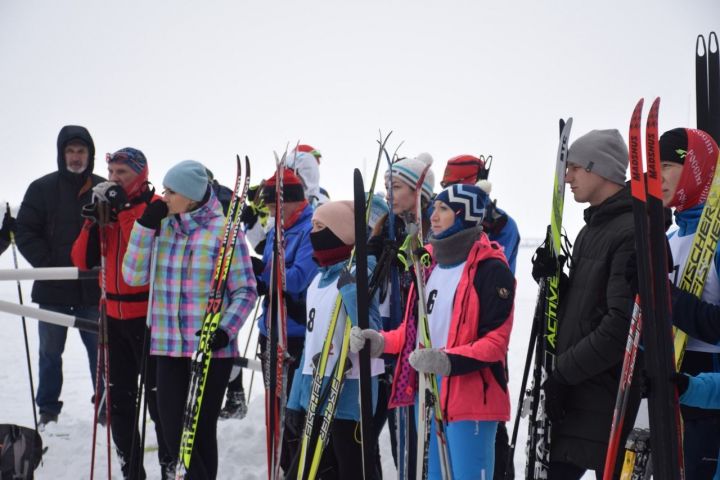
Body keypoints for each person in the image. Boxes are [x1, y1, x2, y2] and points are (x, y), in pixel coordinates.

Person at [352, 183, 515, 479]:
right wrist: (378, 341)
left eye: (443, 209)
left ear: (465, 215)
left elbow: (495, 343)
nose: (433, 215)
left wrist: (447, 361)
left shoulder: (491, 269)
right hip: (427, 395)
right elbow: (414, 333)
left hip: (471, 403)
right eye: (434, 208)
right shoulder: (428, 265)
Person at [122, 160, 257, 478]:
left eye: (171, 192)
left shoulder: (224, 233)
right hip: (167, 348)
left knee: (198, 432)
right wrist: (143, 227)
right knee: (171, 430)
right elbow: (132, 275)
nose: (164, 197)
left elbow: (246, 291)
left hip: (210, 349)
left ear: (192, 196)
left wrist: (225, 330)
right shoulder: (161, 228)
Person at [533, 129, 637, 478]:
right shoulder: (591, 230)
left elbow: (620, 327)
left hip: (602, 397)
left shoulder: (629, 231)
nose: (568, 177)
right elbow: (584, 308)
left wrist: (562, 374)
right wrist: (554, 282)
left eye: (575, 167)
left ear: (600, 169)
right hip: (577, 397)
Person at [71, 148, 171, 479]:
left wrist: (125, 211)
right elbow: (83, 261)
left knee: (159, 404)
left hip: (147, 318)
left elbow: (139, 255)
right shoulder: (109, 210)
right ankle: (132, 471)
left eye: (122, 173)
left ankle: (170, 467)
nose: (114, 179)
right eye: (111, 172)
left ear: (140, 174)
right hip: (112, 317)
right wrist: (91, 224)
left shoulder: (153, 208)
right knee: (120, 404)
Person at [286, 200, 384, 480]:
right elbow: (310, 344)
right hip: (315, 391)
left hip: (350, 395)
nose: (312, 233)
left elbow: (372, 330)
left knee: (351, 468)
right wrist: (295, 401)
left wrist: (353, 289)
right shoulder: (317, 281)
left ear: (341, 233)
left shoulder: (362, 272)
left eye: (320, 227)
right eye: (313, 225)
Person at [16, 125, 104, 428]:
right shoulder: (41, 188)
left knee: (101, 354)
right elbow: (25, 231)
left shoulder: (104, 189)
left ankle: (105, 406)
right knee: (50, 354)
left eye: (82, 151)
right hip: (53, 289)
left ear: (90, 155)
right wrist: (49, 263)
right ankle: (48, 411)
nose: (76, 157)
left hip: (93, 290)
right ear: (61, 153)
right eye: (71, 151)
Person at [440, 155, 520, 479]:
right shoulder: (443, 220)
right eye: (447, 186)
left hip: (484, 334)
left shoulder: (501, 225)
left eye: (456, 186)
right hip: (449, 345)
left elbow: (494, 267)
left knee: (489, 434)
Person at [244, 168, 318, 472]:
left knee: (292, 411)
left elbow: (299, 278)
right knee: (275, 408)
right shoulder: (279, 228)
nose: (273, 212)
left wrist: (265, 276)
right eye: (270, 207)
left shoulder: (312, 228)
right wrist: (254, 268)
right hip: (271, 329)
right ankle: (279, 467)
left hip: (297, 334)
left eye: (277, 205)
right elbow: (273, 273)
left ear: (295, 202)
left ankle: (293, 469)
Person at [659, 127, 720, 479]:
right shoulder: (670, 237)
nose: (659, 176)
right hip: (675, 397)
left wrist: (667, 299)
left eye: (668, 165)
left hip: (711, 401)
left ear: (696, 168)